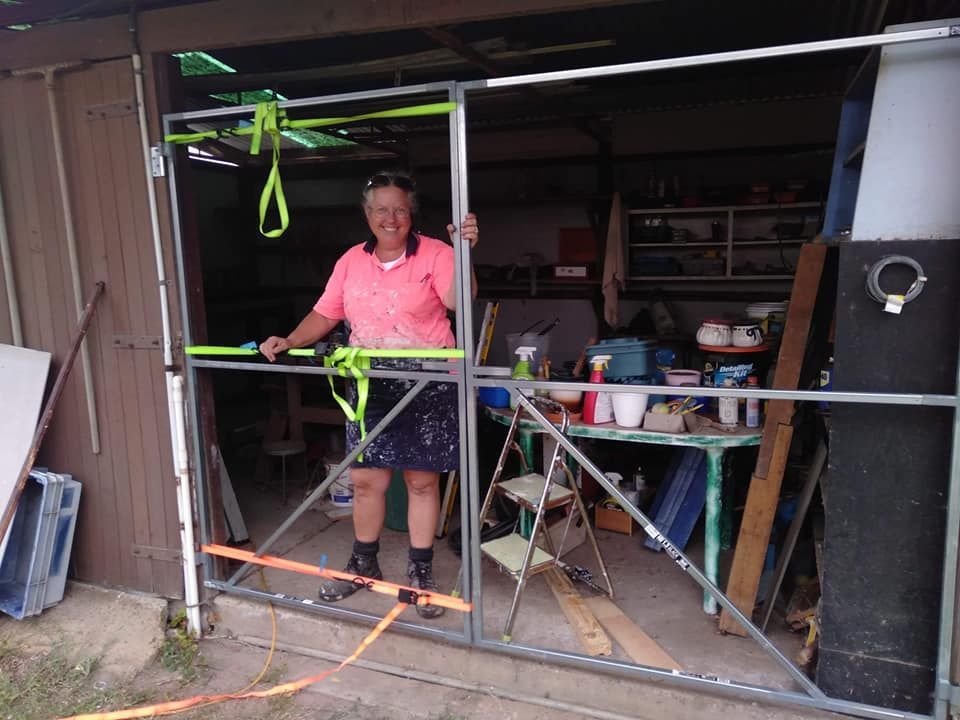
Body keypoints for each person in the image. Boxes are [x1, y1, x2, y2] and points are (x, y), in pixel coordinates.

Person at [260, 171, 478, 619]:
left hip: (427, 378)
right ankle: (364, 563)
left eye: (399, 208)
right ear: (367, 214)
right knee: (366, 481)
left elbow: (461, 302)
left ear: (410, 212)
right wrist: (290, 340)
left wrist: (464, 253)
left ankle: (420, 571)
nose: (391, 218)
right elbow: (326, 313)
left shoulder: (437, 253)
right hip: (369, 382)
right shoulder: (350, 261)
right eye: (381, 209)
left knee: (421, 480)